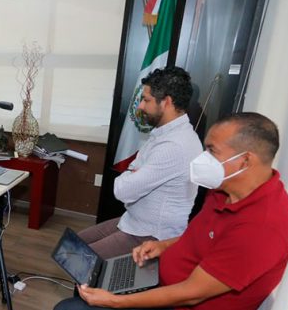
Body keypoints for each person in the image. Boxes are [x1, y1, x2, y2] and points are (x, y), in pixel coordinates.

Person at [44, 112, 288, 310]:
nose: (203, 158)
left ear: (245, 161)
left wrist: (115, 301)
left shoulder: (263, 226)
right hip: (164, 279)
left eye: (212, 151)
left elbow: (192, 294)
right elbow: (200, 236)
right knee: (89, 278)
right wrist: (164, 246)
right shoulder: (226, 191)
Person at [79, 66, 203, 259]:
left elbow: (122, 190)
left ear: (167, 102)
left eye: (146, 100)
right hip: (133, 221)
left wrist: (133, 173)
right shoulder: (164, 133)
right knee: (75, 242)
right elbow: (131, 174)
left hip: (151, 234)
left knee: (81, 257)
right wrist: (134, 172)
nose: (140, 106)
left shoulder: (175, 145)